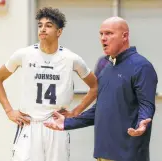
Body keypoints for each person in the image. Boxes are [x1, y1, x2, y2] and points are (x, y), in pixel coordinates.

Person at [0, 7, 97, 161]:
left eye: (48, 25)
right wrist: (9, 111)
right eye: (40, 25)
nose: (43, 29)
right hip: (29, 125)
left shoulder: (71, 59)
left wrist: (75, 112)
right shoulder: (24, 54)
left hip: (56, 126)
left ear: (59, 31)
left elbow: (95, 86)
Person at [44, 17, 158, 161]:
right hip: (103, 154)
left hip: (129, 155)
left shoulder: (142, 66)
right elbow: (100, 109)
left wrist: (143, 122)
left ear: (125, 36)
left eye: (109, 33)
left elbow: (146, 105)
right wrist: (67, 123)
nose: (103, 38)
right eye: (101, 34)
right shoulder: (105, 67)